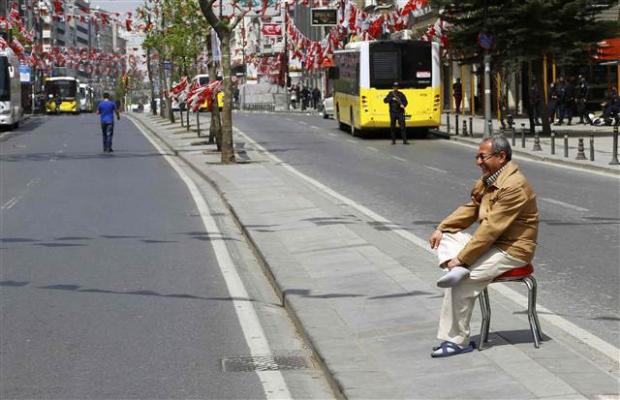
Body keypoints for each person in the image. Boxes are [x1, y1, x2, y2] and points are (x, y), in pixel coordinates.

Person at [428, 135, 539, 358]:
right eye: (477, 156)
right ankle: (455, 268)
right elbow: (471, 209)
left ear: (500, 157)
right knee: (446, 236)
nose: (478, 161)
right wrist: (442, 227)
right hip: (492, 244)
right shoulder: (489, 179)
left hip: (512, 249)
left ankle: (457, 341)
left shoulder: (514, 186)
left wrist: (463, 259)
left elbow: (491, 229)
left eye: (482, 156)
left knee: (463, 282)